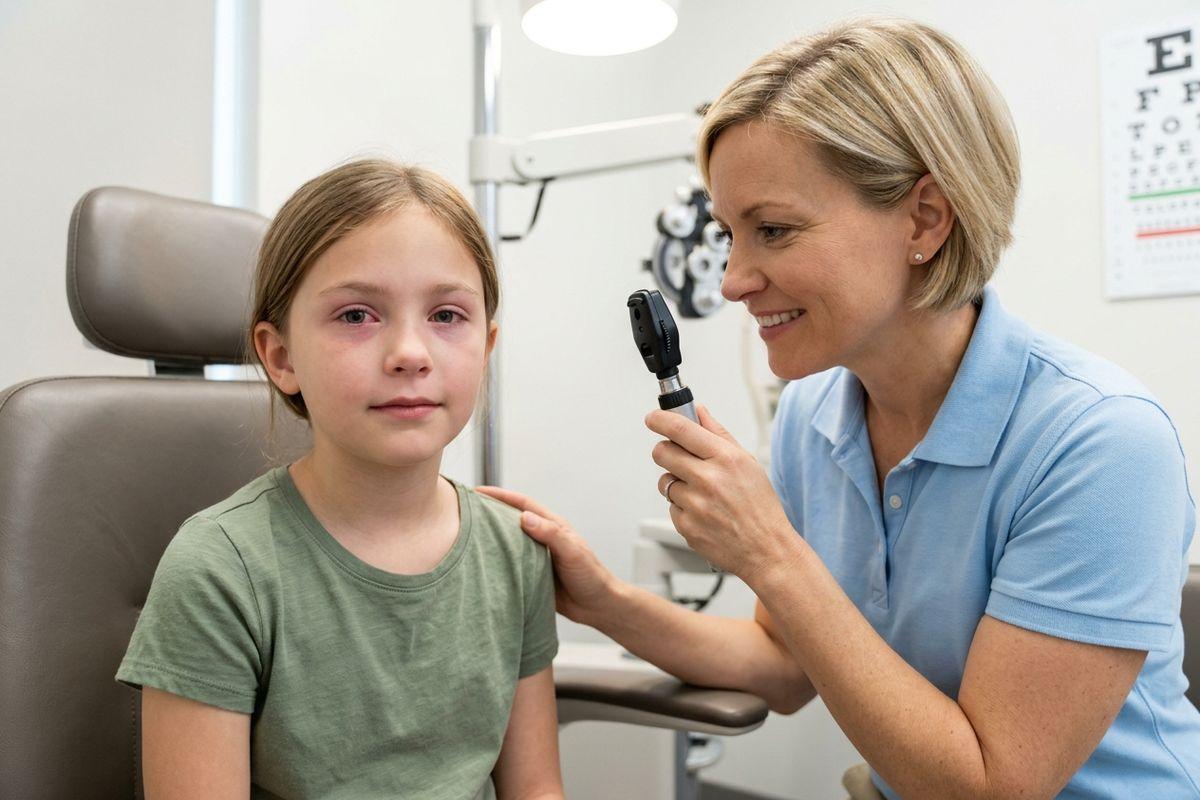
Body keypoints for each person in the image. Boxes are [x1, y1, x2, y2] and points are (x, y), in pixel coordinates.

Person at [479, 17, 1200, 799]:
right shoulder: (815, 412)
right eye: (730, 234)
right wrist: (606, 603)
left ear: (924, 218)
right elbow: (784, 666)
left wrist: (769, 551)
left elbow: (992, 787)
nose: (732, 280)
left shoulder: (1101, 443)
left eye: (774, 230)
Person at [117, 160, 563, 800]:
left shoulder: (515, 552)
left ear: (487, 346)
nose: (410, 352)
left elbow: (537, 789)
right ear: (281, 356)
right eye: (357, 315)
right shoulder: (220, 569)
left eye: (446, 315)